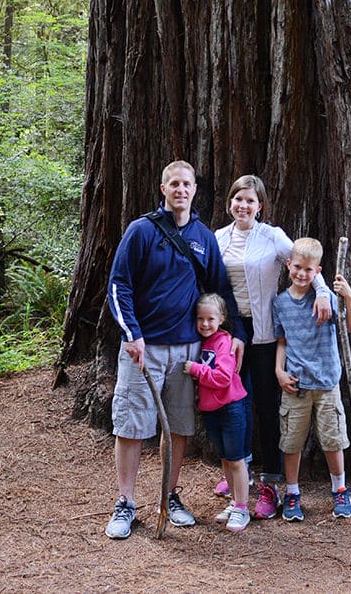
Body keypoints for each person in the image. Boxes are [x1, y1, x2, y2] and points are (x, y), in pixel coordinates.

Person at [104, 160, 246, 540]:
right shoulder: (141, 232)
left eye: (187, 184)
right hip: (143, 348)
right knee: (133, 425)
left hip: (187, 351)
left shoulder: (203, 237)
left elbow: (219, 289)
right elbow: (119, 286)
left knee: (179, 427)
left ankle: (169, 496)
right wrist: (131, 332)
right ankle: (127, 502)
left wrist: (238, 331)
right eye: (174, 184)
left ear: (195, 190)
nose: (181, 190)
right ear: (163, 188)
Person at [214, 175, 332, 519]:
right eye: (238, 199)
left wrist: (322, 292)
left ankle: (270, 485)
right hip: (230, 334)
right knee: (234, 405)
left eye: (250, 201)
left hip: (264, 334)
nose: (243, 206)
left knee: (266, 409)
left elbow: (303, 262)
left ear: (260, 206)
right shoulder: (219, 238)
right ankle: (240, 473)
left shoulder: (272, 237)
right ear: (230, 202)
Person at [273, 237, 351, 521]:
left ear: (317, 271)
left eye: (308, 270)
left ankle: (340, 489)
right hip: (295, 385)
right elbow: (282, 341)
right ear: (288, 265)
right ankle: (293, 492)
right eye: (297, 267)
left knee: (333, 439)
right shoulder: (281, 303)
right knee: (291, 441)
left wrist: (349, 297)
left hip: (326, 383)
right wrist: (279, 371)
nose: (301, 273)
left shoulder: (326, 299)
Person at [183, 293, 251, 532]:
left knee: (236, 459)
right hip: (211, 410)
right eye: (200, 319)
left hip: (230, 407)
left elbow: (222, 378)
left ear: (221, 318)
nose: (205, 324)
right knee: (225, 459)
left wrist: (196, 369)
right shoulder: (201, 343)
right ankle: (234, 503)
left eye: (210, 318)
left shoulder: (224, 342)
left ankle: (242, 508)